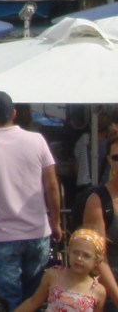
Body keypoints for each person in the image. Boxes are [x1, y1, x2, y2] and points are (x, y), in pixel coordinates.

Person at [0, 89, 62, 311]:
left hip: (3, 235)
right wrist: (56, 222)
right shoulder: (37, 140)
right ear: (14, 112)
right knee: (35, 297)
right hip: (38, 232)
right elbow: (51, 186)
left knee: (9, 299)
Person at [14, 228, 107, 312]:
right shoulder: (54, 275)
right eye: (75, 252)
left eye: (86, 256)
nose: (79, 258)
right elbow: (33, 302)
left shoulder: (98, 291)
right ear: (69, 251)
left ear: (97, 261)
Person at [81, 131, 118, 307]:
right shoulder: (98, 200)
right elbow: (98, 258)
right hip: (111, 289)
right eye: (117, 157)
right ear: (109, 160)